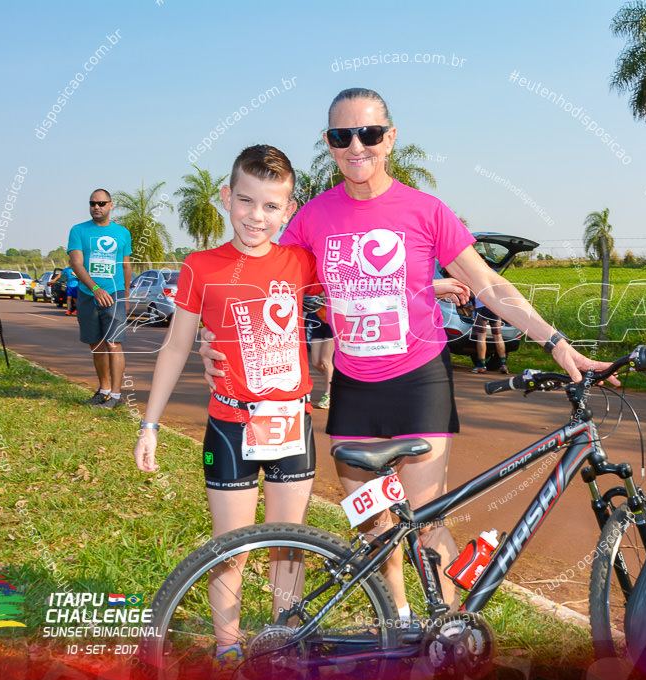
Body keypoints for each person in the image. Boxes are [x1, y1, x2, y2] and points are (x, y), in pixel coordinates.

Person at [201, 88, 617, 621]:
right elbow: (262, 280)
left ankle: (445, 635)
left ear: (390, 139)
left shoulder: (426, 210)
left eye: (369, 133)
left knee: (427, 519)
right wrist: (211, 340)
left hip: (420, 381)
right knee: (374, 526)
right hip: (353, 388)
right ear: (328, 145)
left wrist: (557, 343)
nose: (357, 146)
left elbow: (488, 285)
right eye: (341, 135)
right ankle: (398, 621)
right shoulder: (312, 218)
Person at [133, 145, 318, 666]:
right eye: (245, 201)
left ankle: (284, 645)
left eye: (271, 206)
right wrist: (150, 425)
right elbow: (174, 347)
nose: (256, 216)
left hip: (291, 424)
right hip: (231, 425)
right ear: (225, 197)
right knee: (229, 548)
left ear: (288, 208)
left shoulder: (300, 260)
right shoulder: (199, 266)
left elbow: (359, 291)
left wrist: (431, 283)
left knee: (289, 547)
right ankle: (228, 649)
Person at [67, 189, 132, 409]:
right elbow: (76, 263)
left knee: (114, 343)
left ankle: (116, 396)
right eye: (93, 203)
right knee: (96, 345)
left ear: (111, 206)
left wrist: (126, 295)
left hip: (114, 294)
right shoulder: (78, 230)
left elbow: (126, 265)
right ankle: (103, 390)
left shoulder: (122, 233)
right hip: (88, 294)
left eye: (102, 203)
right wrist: (94, 288)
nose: (97, 207)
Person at [304, 294, 335, 409]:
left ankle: (329, 396)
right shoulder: (313, 278)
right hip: (316, 319)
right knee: (316, 362)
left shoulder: (331, 278)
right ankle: (337, 382)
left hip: (332, 321)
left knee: (326, 360)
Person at [470, 292, 509, 374]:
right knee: (498, 336)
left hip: (481, 307)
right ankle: (504, 365)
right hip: (494, 308)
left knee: (481, 337)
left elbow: (471, 295)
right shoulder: (493, 279)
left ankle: (482, 366)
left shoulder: (474, 280)